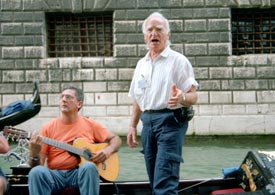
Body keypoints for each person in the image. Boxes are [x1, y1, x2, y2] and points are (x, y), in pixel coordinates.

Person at [127, 12, 199, 195]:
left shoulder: (178, 61)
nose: (154, 34)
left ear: (167, 34)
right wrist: (132, 126)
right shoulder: (141, 64)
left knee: (164, 181)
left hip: (170, 122)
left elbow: (194, 96)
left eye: (159, 30)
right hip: (147, 123)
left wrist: (182, 97)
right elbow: (138, 98)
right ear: (145, 36)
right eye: (150, 30)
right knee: (153, 178)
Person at [28, 86, 122, 195]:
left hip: (79, 174)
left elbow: (116, 139)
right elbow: (37, 165)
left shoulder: (90, 124)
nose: (63, 99)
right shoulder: (47, 128)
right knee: (36, 172)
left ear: (79, 104)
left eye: (68, 97)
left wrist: (107, 151)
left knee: (89, 166)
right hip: (55, 176)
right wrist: (34, 154)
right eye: (62, 97)